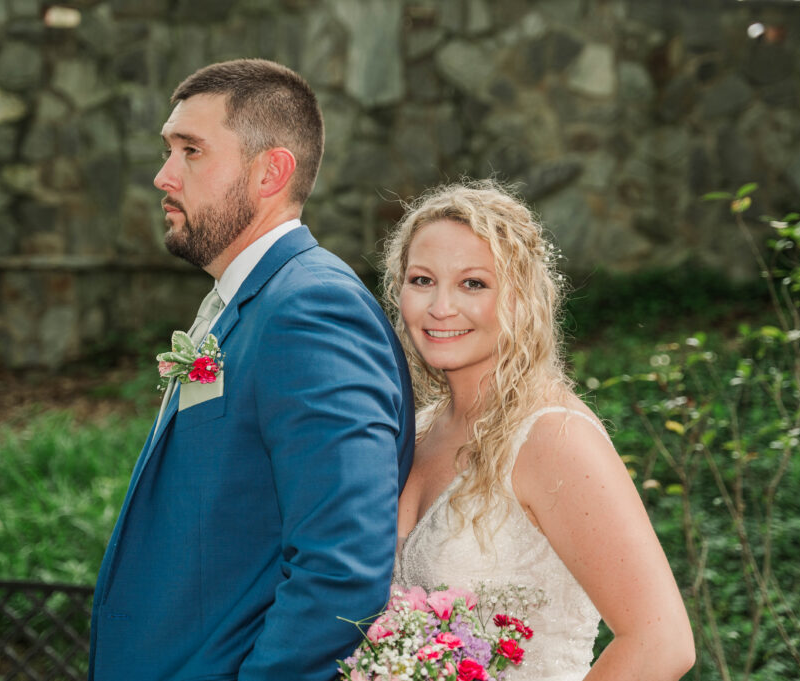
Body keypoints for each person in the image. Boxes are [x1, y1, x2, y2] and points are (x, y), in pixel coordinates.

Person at [89, 59, 415, 681]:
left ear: (271, 172)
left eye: (191, 151)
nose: (163, 176)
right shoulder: (250, 302)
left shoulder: (312, 309)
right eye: (168, 150)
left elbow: (341, 568)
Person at [384, 180, 695, 681]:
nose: (440, 306)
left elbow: (661, 642)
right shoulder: (414, 429)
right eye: (422, 280)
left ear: (520, 297)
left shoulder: (553, 438)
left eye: (473, 284)